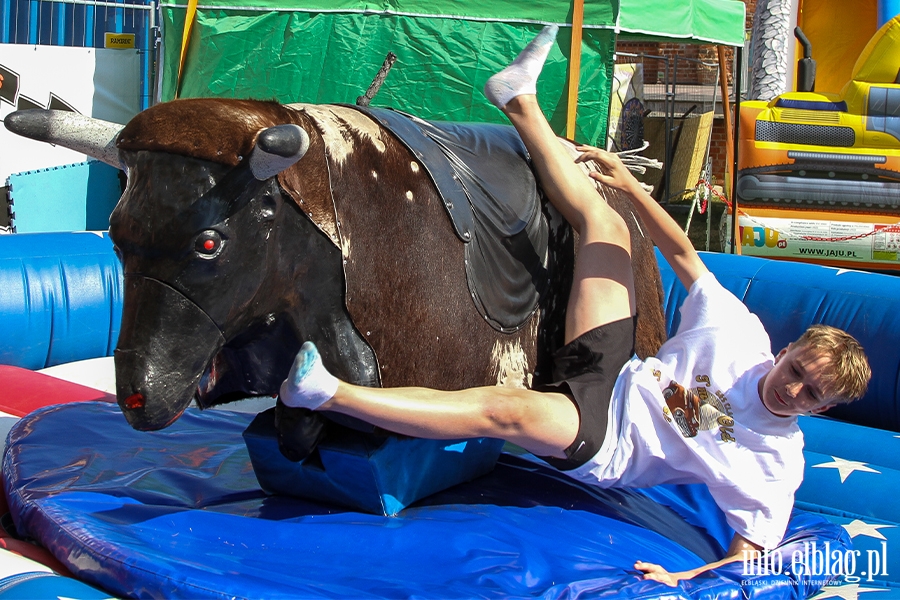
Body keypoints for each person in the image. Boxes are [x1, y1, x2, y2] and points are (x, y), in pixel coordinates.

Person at [278, 25, 871, 586]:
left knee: (507, 412)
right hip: (613, 372)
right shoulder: (740, 335)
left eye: (813, 395)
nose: (794, 391)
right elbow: (684, 254)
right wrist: (628, 182)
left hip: (605, 440)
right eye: (798, 372)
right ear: (788, 349)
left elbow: (752, 552)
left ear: (825, 409)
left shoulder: (775, 462)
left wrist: (686, 578)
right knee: (604, 221)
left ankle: (327, 393)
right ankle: (517, 100)